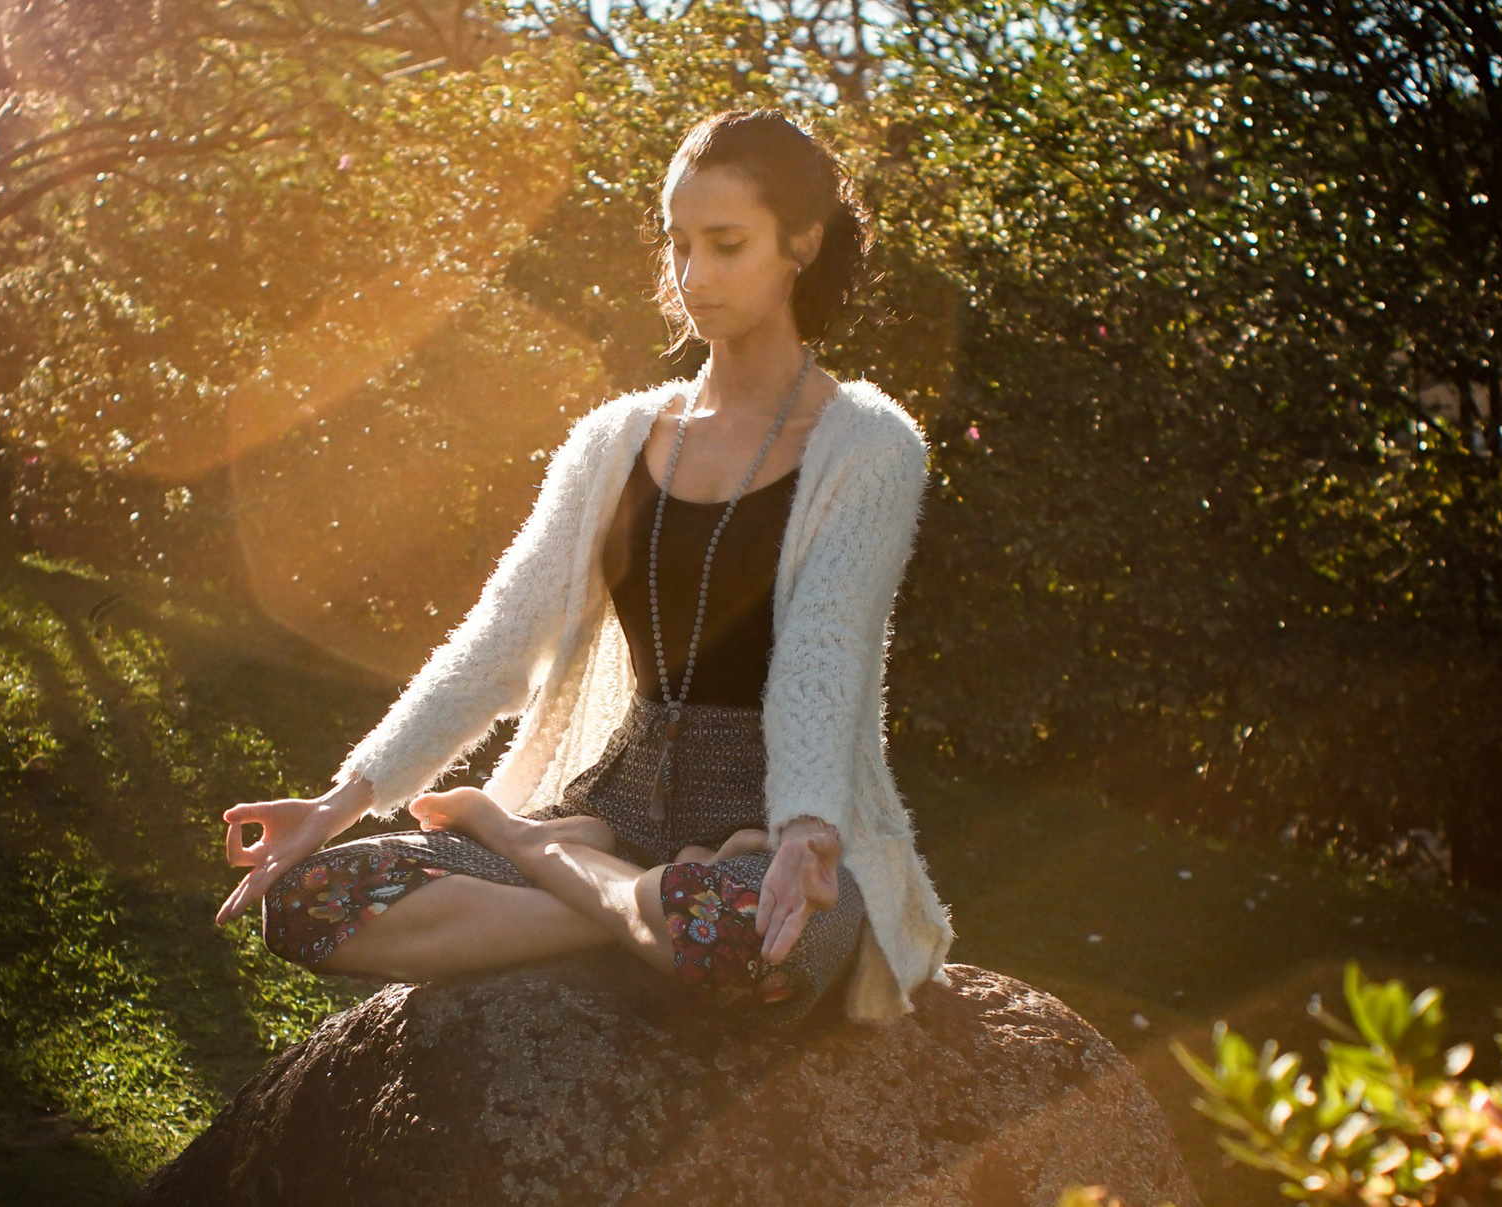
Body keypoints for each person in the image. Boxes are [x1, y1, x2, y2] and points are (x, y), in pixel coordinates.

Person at [214, 108, 955, 1030]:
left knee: (748, 948)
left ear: (802, 241)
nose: (694, 278)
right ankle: (619, 896)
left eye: (727, 245)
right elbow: (495, 642)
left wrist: (806, 826)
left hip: (770, 819)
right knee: (308, 898)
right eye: (679, 244)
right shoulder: (615, 441)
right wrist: (337, 803)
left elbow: (825, 648)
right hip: (611, 798)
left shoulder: (872, 446)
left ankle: (524, 844)